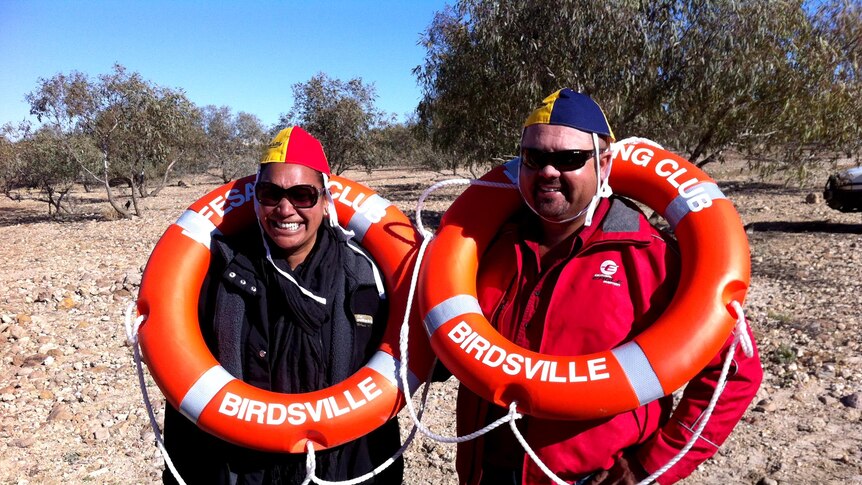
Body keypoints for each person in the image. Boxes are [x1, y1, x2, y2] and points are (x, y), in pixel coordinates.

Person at [455, 89, 763, 484]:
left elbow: (736, 373)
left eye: (569, 158)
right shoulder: (484, 247)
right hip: (487, 470)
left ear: (603, 164)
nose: (548, 171)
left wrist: (650, 464)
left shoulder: (653, 258)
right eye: (535, 158)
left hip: (587, 477)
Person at [162, 126, 403, 484]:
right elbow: (187, 387)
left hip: (345, 471)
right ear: (256, 199)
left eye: (302, 194)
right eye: (270, 193)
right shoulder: (217, 275)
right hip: (247, 472)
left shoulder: (368, 277)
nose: (285, 208)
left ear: (325, 200)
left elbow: (408, 365)